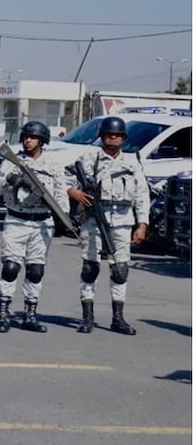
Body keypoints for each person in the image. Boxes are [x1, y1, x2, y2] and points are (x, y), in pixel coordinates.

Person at [66, 116, 150, 335]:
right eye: (109, 134)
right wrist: (72, 192)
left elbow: (142, 194)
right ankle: (87, 317)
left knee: (120, 270)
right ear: (102, 136)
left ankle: (118, 318)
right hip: (94, 218)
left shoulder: (132, 162)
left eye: (117, 135)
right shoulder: (88, 159)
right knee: (90, 267)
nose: (113, 138)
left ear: (123, 138)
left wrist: (142, 223)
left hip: (122, 221)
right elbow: (64, 178)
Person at [0, 121, 69, 333]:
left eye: (33, 137)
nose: (28, 140)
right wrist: (9, 179)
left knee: (35, 270)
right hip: (17, 220)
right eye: (25, 137)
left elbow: (61, 194)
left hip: (42, 222)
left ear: (42, 141)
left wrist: (64, 218)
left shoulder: (53, 164)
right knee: (11, 267)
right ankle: (3, 314)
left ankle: (29, 314)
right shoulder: (10, 162)